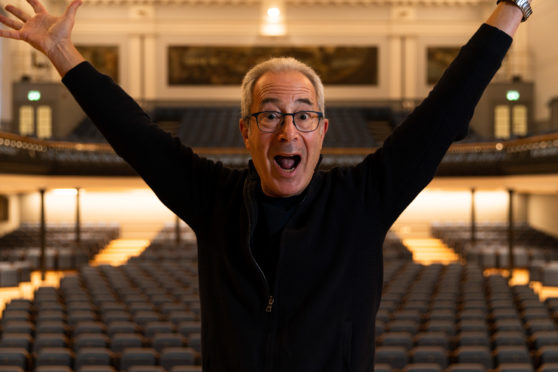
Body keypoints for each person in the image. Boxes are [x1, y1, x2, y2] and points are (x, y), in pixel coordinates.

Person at [0, 0, 532, 370]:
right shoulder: (214, 201)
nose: (287, 129)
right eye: (270, 114)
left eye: (303, 115)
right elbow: (136, 134)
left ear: (322, 131)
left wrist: (513, 7)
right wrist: (62, 53)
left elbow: (444, 110)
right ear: (247, 132)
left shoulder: (362, 202)